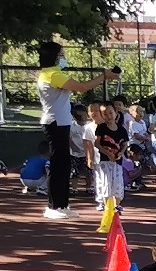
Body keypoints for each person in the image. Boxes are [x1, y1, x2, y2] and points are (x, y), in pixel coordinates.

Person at [36, 41, 118, 219]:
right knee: (58, 164)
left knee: (64, 164)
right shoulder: (52, 75)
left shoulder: (52, 74)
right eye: (60, 54)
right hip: (55, 123)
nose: (63, 57)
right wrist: (103, 76)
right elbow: (82, 87)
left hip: (61, 123)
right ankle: (53, 206)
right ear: (54, 56)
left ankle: (62, 205)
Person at [93, 102, 128, 211]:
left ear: (115, 113)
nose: (109, 116)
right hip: (105, 161)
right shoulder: (101, 128)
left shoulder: (121, 129)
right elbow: (97, 143)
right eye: (105, 114)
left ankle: (116, 205)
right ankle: (107, 205)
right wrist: (107, 153)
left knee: (117, 182)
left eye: (110, 113)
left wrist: (121, 152)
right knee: (106, 182)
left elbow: (125, 144)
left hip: (117, 161)